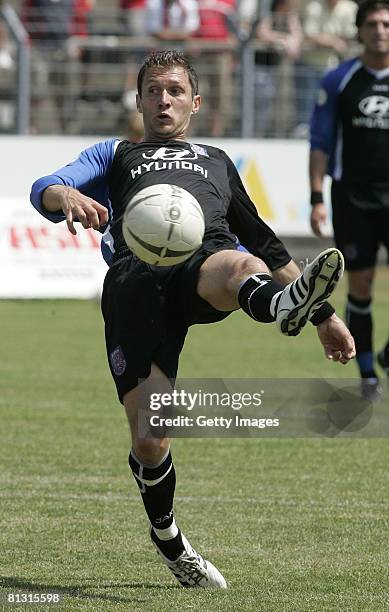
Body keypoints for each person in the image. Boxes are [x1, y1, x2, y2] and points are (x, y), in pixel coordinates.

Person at [30, 50, 355, 588]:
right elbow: (44, 185)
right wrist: (63, 193)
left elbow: (267, 244)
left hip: (205, 265)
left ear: (195, 102)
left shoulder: (216, 160)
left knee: (240, 264)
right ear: (138, 100)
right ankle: (169, 539)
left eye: (175, 91)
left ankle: (283, 307)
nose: (164, 100)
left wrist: (320, 314)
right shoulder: (117, 153)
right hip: (136, 284)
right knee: (151, 436)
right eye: (153, 91)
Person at [309, 0, 389, 401]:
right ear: (359, 30)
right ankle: (367, 374)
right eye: (372, 23)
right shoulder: (340, 80)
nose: (380, 30)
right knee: (360, 285)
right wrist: (315, 197)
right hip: (353, 198)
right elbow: (321, 142)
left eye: (386, 23)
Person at [294, 0, 357, 137]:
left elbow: (351, 36)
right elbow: (310, 35)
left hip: (335, 67)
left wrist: (324, 39)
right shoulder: (313, 6)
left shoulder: (350, 8)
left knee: (331, 104)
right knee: (306, 105)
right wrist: (333, 41)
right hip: (309, 64)